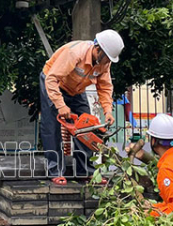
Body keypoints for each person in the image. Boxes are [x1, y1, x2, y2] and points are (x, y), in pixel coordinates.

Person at [39, 29, 124, 185]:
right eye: (106, 58)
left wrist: (108, 111)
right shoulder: (74, 54)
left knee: (86, 126)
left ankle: (85, 171)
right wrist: (61, 105)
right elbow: (51, 79)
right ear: (98, 49)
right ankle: (55, 171)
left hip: (76, 89)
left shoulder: (104, 63)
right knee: (51, 127)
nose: (107, 63)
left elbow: (105, 87)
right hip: (53, 82)